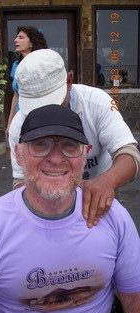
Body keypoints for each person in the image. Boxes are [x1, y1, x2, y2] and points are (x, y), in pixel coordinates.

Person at [0, 105, 140, 313]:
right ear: (19, 155)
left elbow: (134, 298)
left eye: (70, 145)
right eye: (41, 145)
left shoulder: (113, 216)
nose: (57, 159)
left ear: (85, 155)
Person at [9, 49, 140, 228]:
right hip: (47, 202)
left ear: (69, 81)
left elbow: (129, 154)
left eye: (51, 102)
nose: (47, 115)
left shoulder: (98, 102)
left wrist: (107, 181)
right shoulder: (20, 124)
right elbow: (20, 181)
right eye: (36, 108)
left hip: (98, 197)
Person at [5, 26, 48, 139]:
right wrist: (10, 123)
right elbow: (15, 97)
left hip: (40, 119)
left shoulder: (42, 65)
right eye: (16, 37)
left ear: (32, 43)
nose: (15, 40)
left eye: (21, 37)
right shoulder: (16, 65)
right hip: (21, 118)